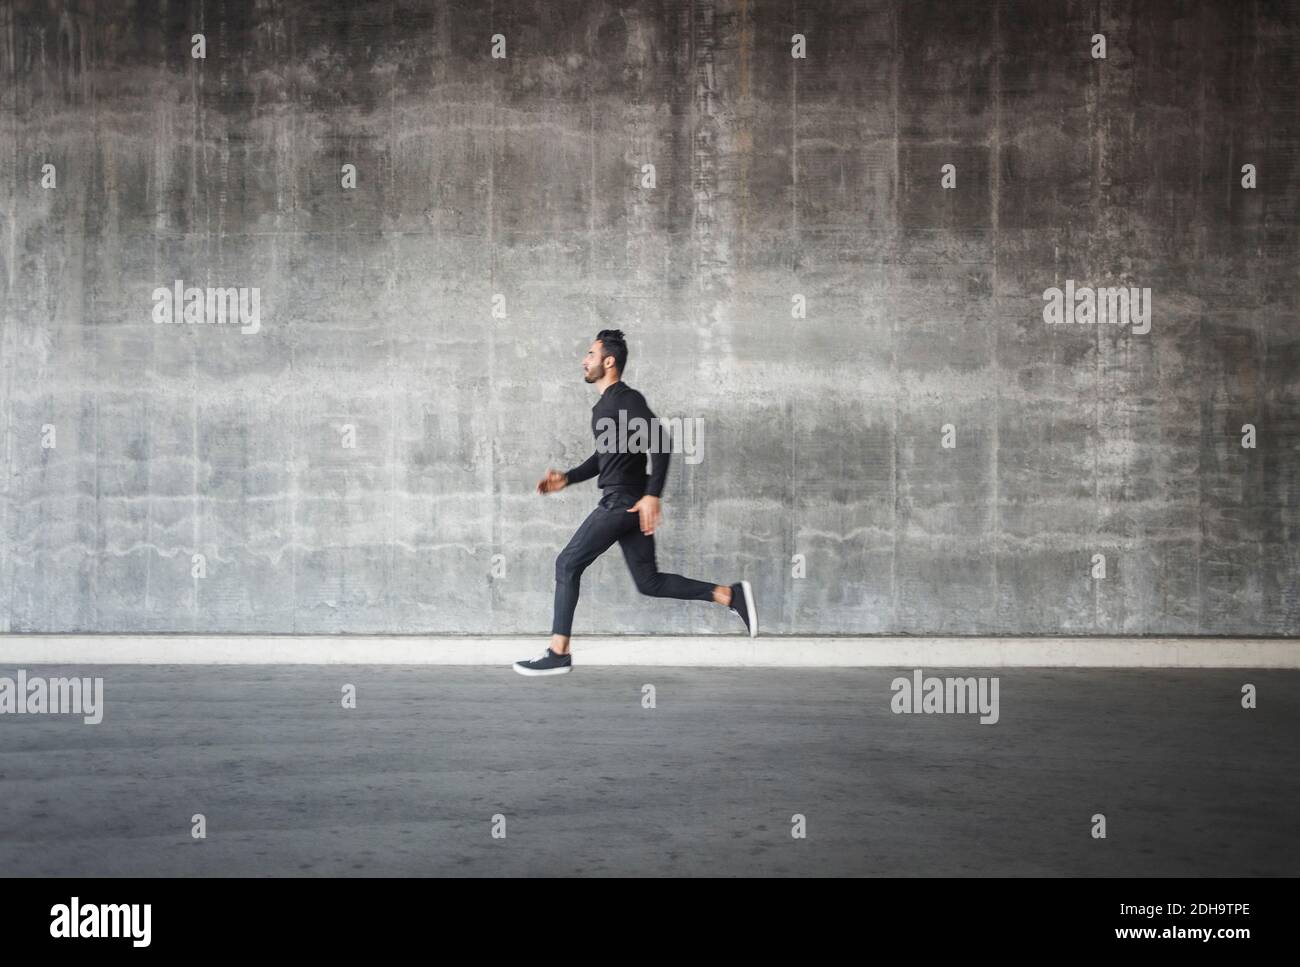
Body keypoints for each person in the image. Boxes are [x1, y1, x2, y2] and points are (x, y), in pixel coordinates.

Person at [514, 329, 757, 676]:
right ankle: (730, 596)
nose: (584, 360)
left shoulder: (625, 399)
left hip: (623, 501)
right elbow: (604, 458)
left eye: (590, 354)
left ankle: (559, 651)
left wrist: (652, 495)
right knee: (649, 582)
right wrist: (567, 478)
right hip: (628, 501)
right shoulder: (604, 407)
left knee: (567, 564)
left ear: (608, 361)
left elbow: (660, 442)